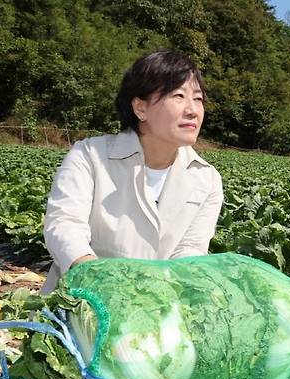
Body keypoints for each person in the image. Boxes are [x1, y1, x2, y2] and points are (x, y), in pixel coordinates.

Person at [41, 50, 223, 293]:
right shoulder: (90, 156)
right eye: (179, 95)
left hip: (156, 307)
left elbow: (190, 250)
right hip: (81, 303)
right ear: (140, 108)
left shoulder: (206, 178)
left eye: (198, 99)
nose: (192, 110)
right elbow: (64, 225)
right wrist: (93, 276)